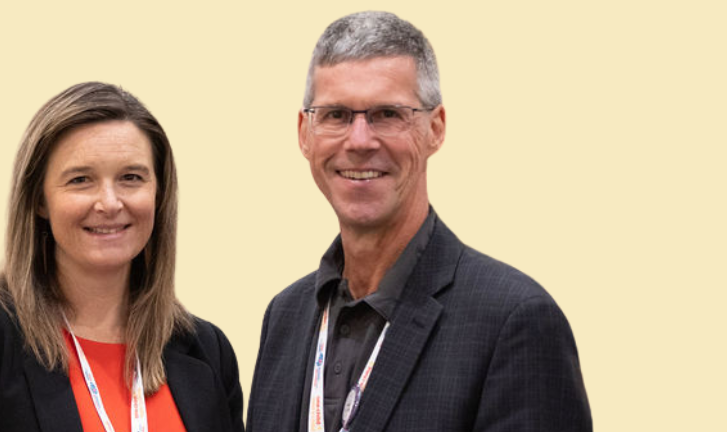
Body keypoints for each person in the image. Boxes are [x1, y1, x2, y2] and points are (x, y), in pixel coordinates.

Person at [247, 12, 591, 432]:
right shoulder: (285, 318)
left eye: (387, 114)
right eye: (336, 115)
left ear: (436, 128)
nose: (359, 141)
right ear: (305, 132)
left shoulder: (514, 322)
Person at [0, 82, 244, 432]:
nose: (110, 203)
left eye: (131, 177)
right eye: (81, 180)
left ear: (159, 194)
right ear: (39, 200)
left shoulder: (206, 351)